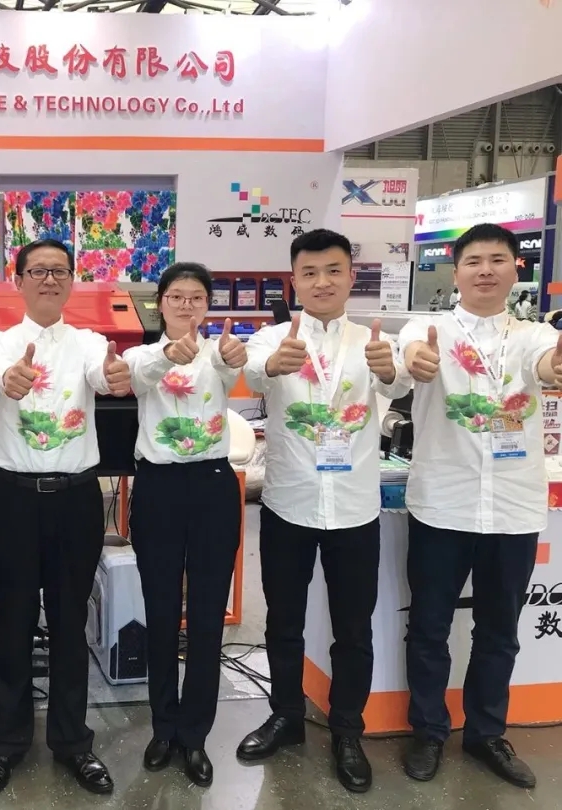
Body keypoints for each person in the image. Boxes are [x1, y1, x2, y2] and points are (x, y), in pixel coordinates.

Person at [239, 229, 410, 794]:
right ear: (294, 281)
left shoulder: (376, 341)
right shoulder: (272, 339)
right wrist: (274, 365)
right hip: (289, 503)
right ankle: (286, 715)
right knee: (282, 623)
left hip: (355, 510)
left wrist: (390, 371)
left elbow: (401, 381)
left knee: (353, 630)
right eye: (309, 273)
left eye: (333, 270)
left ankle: (346, 731)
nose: (322, 282)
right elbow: (256, 370)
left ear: (350, 276)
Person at [399, 223, 562, 789]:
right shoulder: (430, 330)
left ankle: (486, 733)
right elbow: (409, 356)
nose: (485, 270)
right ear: (457, 270)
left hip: (513, 509)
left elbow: (548, 365)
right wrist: (416, 360)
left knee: (499, 631)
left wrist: (556, 365)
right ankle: (427, 731)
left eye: (497, 259)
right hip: (442, 506)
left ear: (517, 268)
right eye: (474, 261)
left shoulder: (533, 335)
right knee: (429, 626)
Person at [0, 238, 132, 798]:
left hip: (75, 499)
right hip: (12, 499)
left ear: (71, 281)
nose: (48, 279)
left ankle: (72, 743)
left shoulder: (89, 343)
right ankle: (6, 744)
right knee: (13, 622)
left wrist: (113, 374)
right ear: (18, 281)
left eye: (59, 271)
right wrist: (8, 379)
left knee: (69, 623)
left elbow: (102, 375)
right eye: (37, 271)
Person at [122, 263, 247, 787]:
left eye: (197, 297)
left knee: (206, 615)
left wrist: (230, 355)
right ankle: (163, 727)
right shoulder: (140, 356)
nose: (187, 305)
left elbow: (232, 365)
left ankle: (195, 734)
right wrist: (167, 355)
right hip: (159, 488)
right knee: (159, 609)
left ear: (207, 304)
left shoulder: (222, 352)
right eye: (177, 296)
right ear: (161, 303)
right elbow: (139, 378)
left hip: (213, 485)